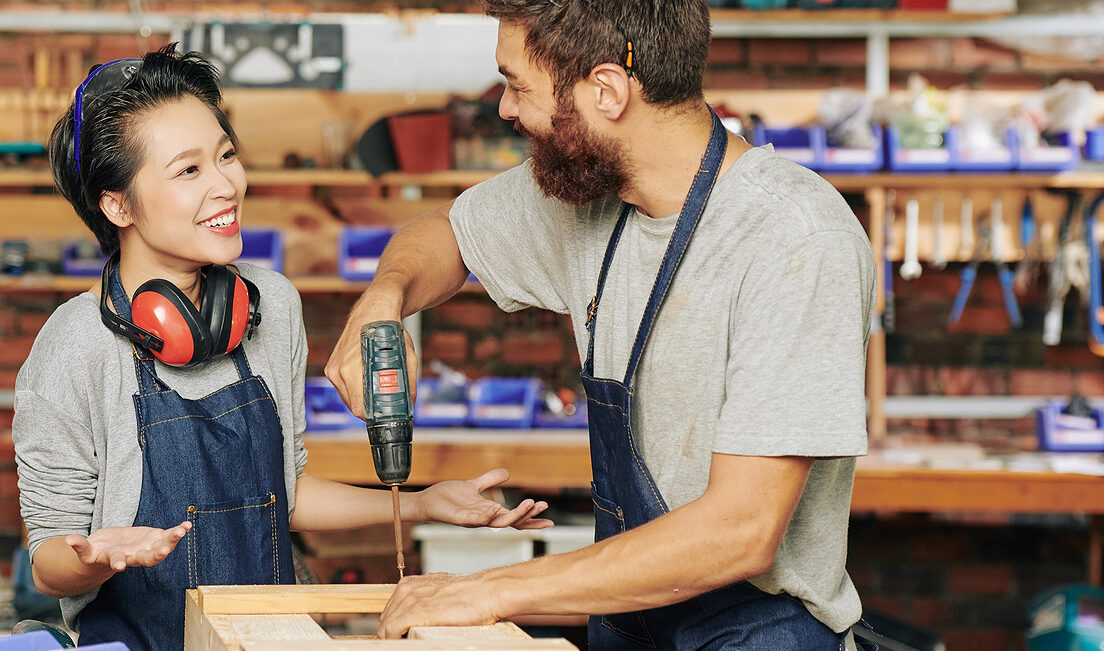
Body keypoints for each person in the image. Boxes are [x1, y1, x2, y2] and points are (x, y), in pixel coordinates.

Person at [324, 2, 876, 648]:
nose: (505, 109)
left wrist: (486, 589)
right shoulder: (593, 201)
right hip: (629, 627)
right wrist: (383, 296)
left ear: (608, 91)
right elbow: (444, 235)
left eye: (517, 85)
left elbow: (743, 530)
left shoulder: (794, 238)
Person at [13, 44, 554, 651]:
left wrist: (420, 505)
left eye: (225, 156)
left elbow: (284, 493)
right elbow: (49, 559)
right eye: (188, 171)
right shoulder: (73, 346)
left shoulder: (271, 303)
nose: (225, 184)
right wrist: (98, 557)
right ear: (118, 205)